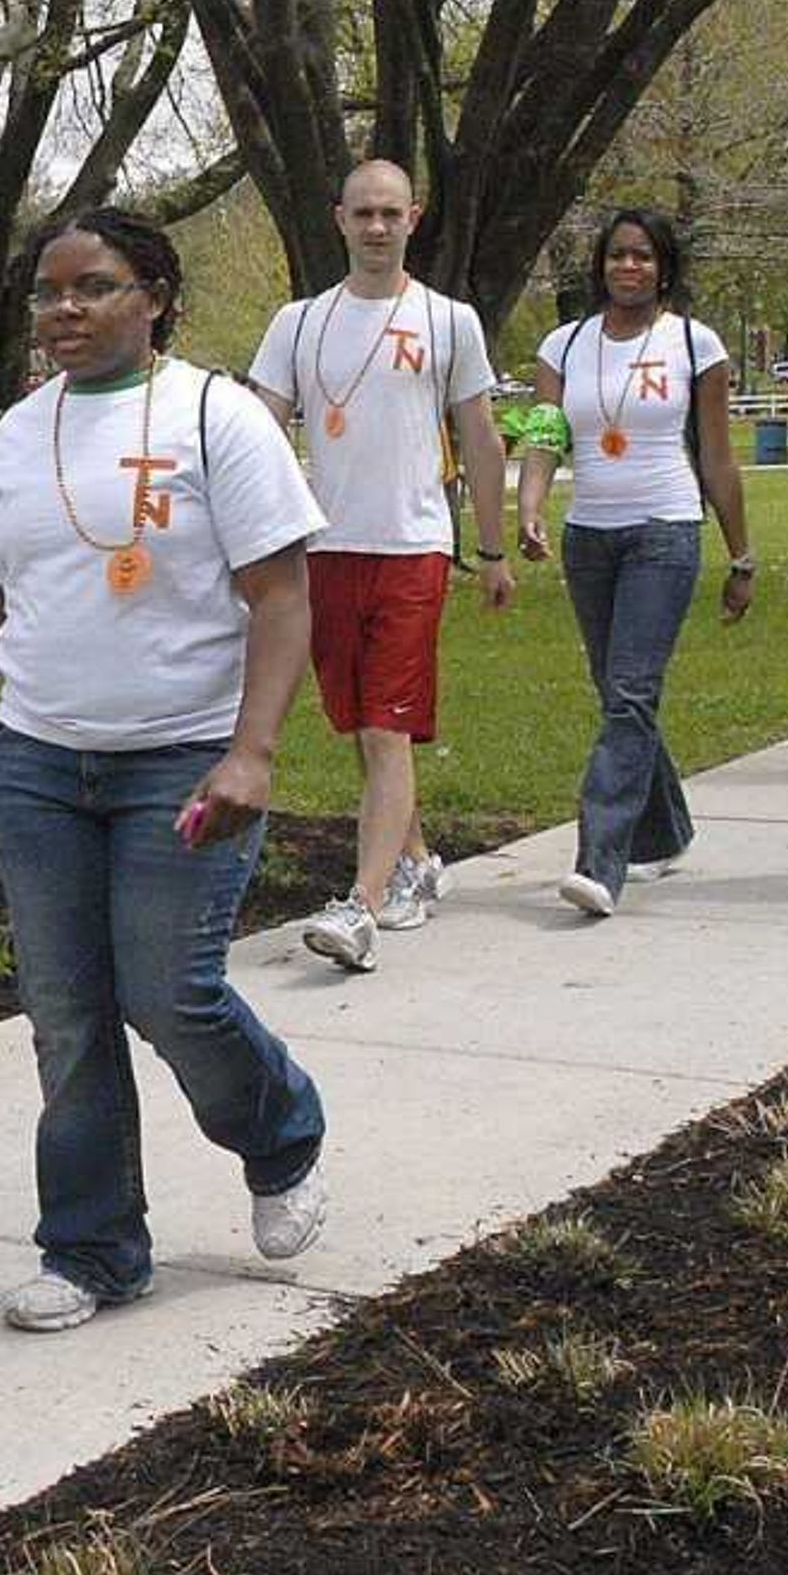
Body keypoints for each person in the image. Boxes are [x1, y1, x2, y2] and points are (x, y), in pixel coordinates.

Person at [0, 207, 330, 1333]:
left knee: (170, 994)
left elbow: (282, 597)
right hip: (41, 766)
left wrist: (252, 751)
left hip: (183, 763)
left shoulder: (217, 419)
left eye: (92, 287)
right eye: (49, 292)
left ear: (154, 296)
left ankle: (282, 1133)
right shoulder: (6, 438)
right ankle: (92, 1250)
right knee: (66, 1018)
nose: (64, 312)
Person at [246, 158, 513, 970]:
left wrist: (495, 551)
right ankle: (417, 858)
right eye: (362, 213)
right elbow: (259, 430)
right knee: (362, 726)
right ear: (338, 218)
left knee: (386, 727)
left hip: (414, 543)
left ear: (414, 217)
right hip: (325, 549)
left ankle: (361, 904)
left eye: (390, 213)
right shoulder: (298, 322)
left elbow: (480, 437)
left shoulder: (448, 320)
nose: (376, 227)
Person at [513, 208, 756, 916]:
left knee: (629, 693)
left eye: (644, 257)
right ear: (601, 266)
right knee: (617, 690)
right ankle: (666, 829)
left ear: (664, 267)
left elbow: (716, 453)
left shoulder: (692, 342)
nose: (629, 267)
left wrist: (741, 555)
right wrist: (530, 505)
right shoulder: (564, 346)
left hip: (665, 529)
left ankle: (600, 859)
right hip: (589, 536)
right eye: (618, 255)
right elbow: (544, 436)